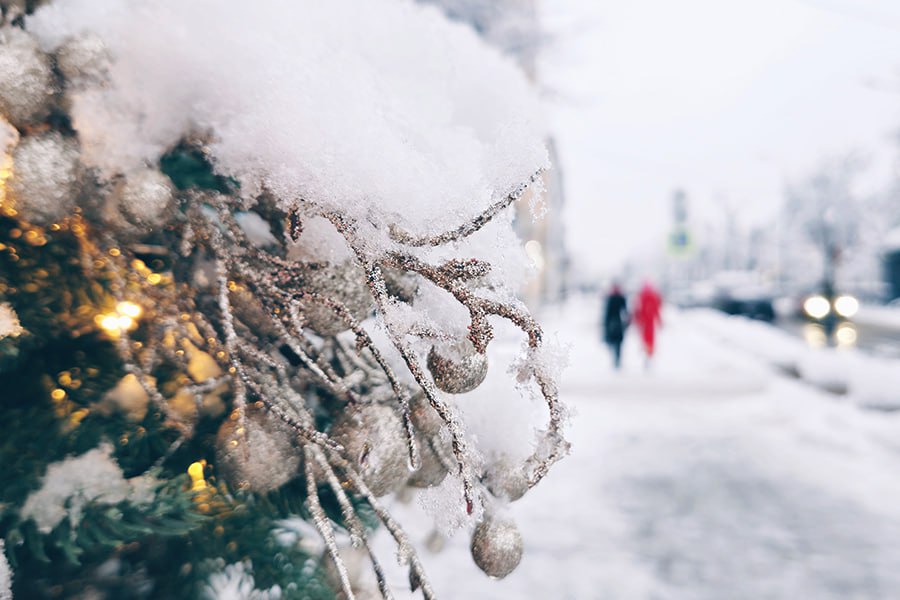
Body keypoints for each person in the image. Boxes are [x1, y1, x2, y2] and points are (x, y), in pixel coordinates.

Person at [633, 281, 662, 363]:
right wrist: (659, 320)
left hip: (644, 323)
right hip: (647, 323)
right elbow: (656, 310)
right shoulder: (650, 297)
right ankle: (648, 354)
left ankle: (647, 354)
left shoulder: (641, 297)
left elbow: (637, 310)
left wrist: (636, 320)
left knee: (645, 339)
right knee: (649, 340)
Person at [602, 283, 629, 369]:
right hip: (618, 324)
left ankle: (616, 359)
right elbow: (625, 312)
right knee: (618, 343)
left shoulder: (610, 298)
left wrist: (605, 324)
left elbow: (607, 313)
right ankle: (617, 359)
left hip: (613, 324)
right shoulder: (620, 298)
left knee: (614, 342)